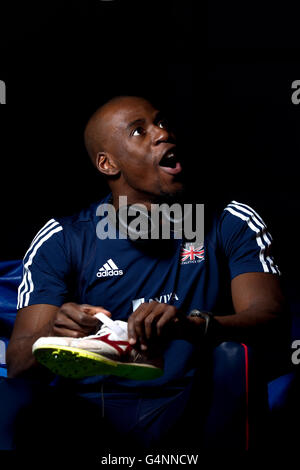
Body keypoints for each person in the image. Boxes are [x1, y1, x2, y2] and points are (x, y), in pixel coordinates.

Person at [2, 96, 285, 457]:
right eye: (140, 130)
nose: (163, 133)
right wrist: (56, 331)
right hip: (93, 413)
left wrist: (191, 324)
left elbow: (273, 321)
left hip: (192, 404)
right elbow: (19, 363)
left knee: (232, 356)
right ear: (108, 164)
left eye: (162, 122)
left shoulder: (230, 220)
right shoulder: (63, 238)